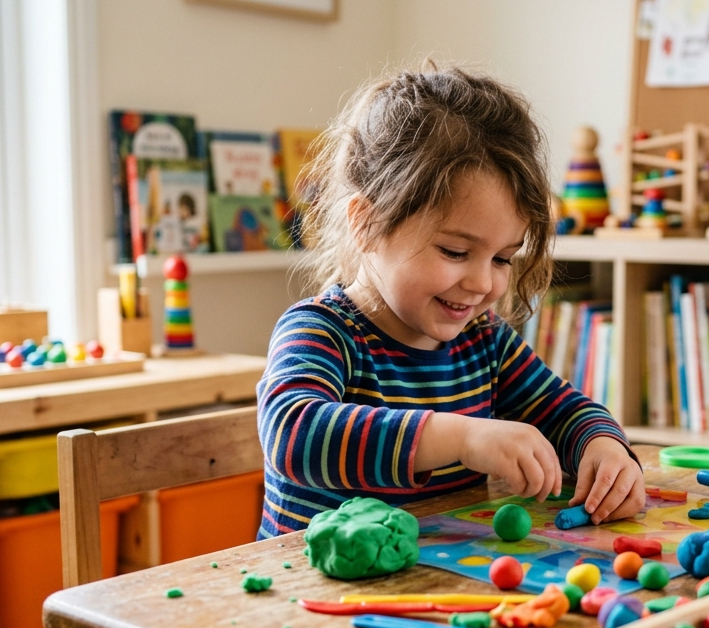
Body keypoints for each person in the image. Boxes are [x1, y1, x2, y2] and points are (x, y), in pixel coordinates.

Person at [256, 64, 644, 537]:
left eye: (502, 258)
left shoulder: (485, 342)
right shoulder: (321, 332)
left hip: (437, 590)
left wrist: (603, 448)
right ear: (367, 223)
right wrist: (462, 436)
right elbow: (295, 435)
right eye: (456, 252)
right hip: (310, 597)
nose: (483, 283)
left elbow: (563, 410)